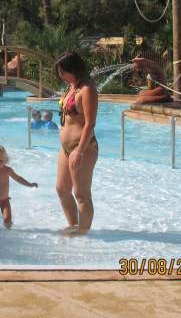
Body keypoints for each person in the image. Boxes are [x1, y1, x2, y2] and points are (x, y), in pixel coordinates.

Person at [55, 51, 99, 234]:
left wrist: (79, 151)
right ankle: (74, 226)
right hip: (66, 148)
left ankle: (83, 233)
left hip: (83, 147)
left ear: (74, 69)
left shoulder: (87, 90)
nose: (61, 76)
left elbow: (90, 123)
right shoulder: (72, 87)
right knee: (62, 189)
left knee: (81, 194)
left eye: (63, 72)